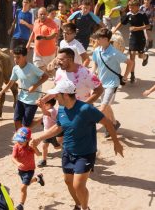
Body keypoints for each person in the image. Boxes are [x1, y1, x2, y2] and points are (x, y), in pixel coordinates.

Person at [32, 79, 124, 210]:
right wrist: (39, 138)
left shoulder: (86, 109)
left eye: (56, 95)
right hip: (67, 151)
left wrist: (116, 142)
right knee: (68, 181)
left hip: (85, 154)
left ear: (65, 95)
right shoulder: (62, 109)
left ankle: (85, 208)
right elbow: (59, 127)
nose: (54, 98)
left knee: (78, 186)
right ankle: (78, 204)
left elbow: (108, 123)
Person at [92, 28, 134, 138]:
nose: (96, 40)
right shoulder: (97, 51)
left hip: (112, 84)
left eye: (99, 38)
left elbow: (130, 63)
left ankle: (109, 125)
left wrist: (125, 77)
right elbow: (95, 63)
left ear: (106, 39)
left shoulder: (115, 53)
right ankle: (114, 123)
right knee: (107, 106)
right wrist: (92, 74)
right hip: (101, 83)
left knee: (103, 108)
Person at [0, 46, 48, 130]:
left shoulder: (32, 68)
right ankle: (20, 140)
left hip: (32, 100)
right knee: (16, 120)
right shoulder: (15, 69)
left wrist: (34, 86)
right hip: (21, 98)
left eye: (18, 57)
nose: (16, 59)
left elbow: (45, 76)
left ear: (24, 56)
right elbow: (10, 83)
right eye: (14, 57)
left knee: (26, 125)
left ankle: (42, 118)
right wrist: (1, 93)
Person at [113, 0, 150, 83]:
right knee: (132, 56)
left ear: (137, 7)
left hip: (141, 38)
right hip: (132, 38)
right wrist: (114, 31)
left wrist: (137, 28)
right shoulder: (128, 14)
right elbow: (121, 23)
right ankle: (132, 75)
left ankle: (145, 57)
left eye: (132, 7)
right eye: (129, 7)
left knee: (140, 56)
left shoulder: (142, 14)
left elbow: (148, 26)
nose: (130, 9)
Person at [12, 127, 44, 210]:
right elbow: (13, 158)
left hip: (30, 170)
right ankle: (38, 178)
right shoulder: (16, 146)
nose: (19, 142)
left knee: (23, 187)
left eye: (22, 140)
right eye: (18, 140)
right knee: (27, 183)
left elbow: (38, 154)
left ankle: (21, 205)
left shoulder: (30, 147)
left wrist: (34, 147)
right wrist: (18, 163)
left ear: (28, 140)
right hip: (21, 170)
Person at [26, 7, 58, 72]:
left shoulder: (51, 23)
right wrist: (28, 43)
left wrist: (44, 37)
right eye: (41, 14)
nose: (43, 16)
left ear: (47, 14)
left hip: (49, 54)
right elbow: (34, 32)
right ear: (37, 15)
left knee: (49, 71)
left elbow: (54, 35)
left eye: (44, 14)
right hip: (37, 52)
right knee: (38, 70)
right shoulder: (36, 22)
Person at [36, 98, 60, 167]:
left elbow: (45, 113)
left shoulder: (52, 110)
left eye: (44, 104)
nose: (43, 106)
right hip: (47, 133)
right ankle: (44, 160)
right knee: (44, 146)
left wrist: (41, 107)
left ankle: (68, 150)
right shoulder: (49, 109)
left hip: (52, 133)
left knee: (57, 147)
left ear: (48, 104)